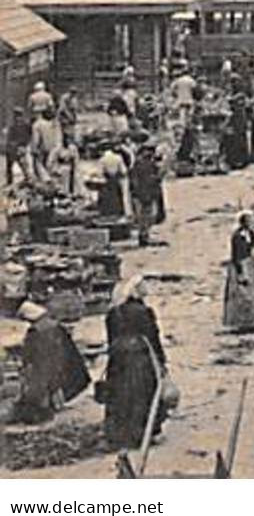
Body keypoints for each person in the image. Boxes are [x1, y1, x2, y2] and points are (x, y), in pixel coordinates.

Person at [102, 275, 167, 447]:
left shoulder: (113, 312)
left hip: (118, 359)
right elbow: (152, 337)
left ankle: (120, 433)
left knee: (120, 395)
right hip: (140, 357)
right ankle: (143, 433)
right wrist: (161, 360)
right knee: (142, 395)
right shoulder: (143, 312)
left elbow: (111, 338)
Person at [12, 300, 90, 424]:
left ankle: (45, 408)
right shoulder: (55, 326)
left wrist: (26, 362)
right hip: (56, 358)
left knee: (43, 384)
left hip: (42, 361)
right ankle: (57, 404)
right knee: (55, 381)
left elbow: (30, 350)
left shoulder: (36, 330)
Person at [223, 211, 254, 333]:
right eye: (249, 221)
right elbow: (236, 254)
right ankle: (241, 323)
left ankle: (253, 321)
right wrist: (240, 272)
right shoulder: (237, 236)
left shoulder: (250, 233)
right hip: (241, 264)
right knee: (242, 295)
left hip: (251, 263)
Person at [127, 145, 165, 247]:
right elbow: (155, 178)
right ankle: (144, 236)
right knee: (147, 215)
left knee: (145, 215)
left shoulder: (138, 164)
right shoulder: (145, 165)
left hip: (144, 193)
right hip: (146, 193)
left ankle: (144, 235)